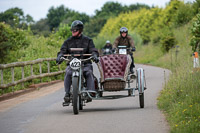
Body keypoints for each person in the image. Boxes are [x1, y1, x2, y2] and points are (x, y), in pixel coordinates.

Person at [56, 20, 99, 103]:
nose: (72, 32)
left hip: (85, 63)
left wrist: (94, 55)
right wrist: (60, 56)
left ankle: (90, 92)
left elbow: (93, 50)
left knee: (89, 72)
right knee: (68, 73)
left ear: (80, 30)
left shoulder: (88, 40)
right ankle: (67, 93)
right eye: (72, 30)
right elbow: (63, 51)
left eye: (74, 30)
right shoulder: (68, 41)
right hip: (72, 64)